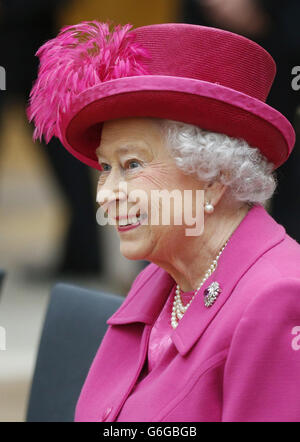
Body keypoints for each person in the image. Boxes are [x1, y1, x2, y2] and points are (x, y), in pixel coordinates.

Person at [27, 21, 300, 422]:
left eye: (132, 164)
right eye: (106, 167)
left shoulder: (277, 299)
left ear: (213, 178)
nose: (105, 194)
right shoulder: (159, 279)